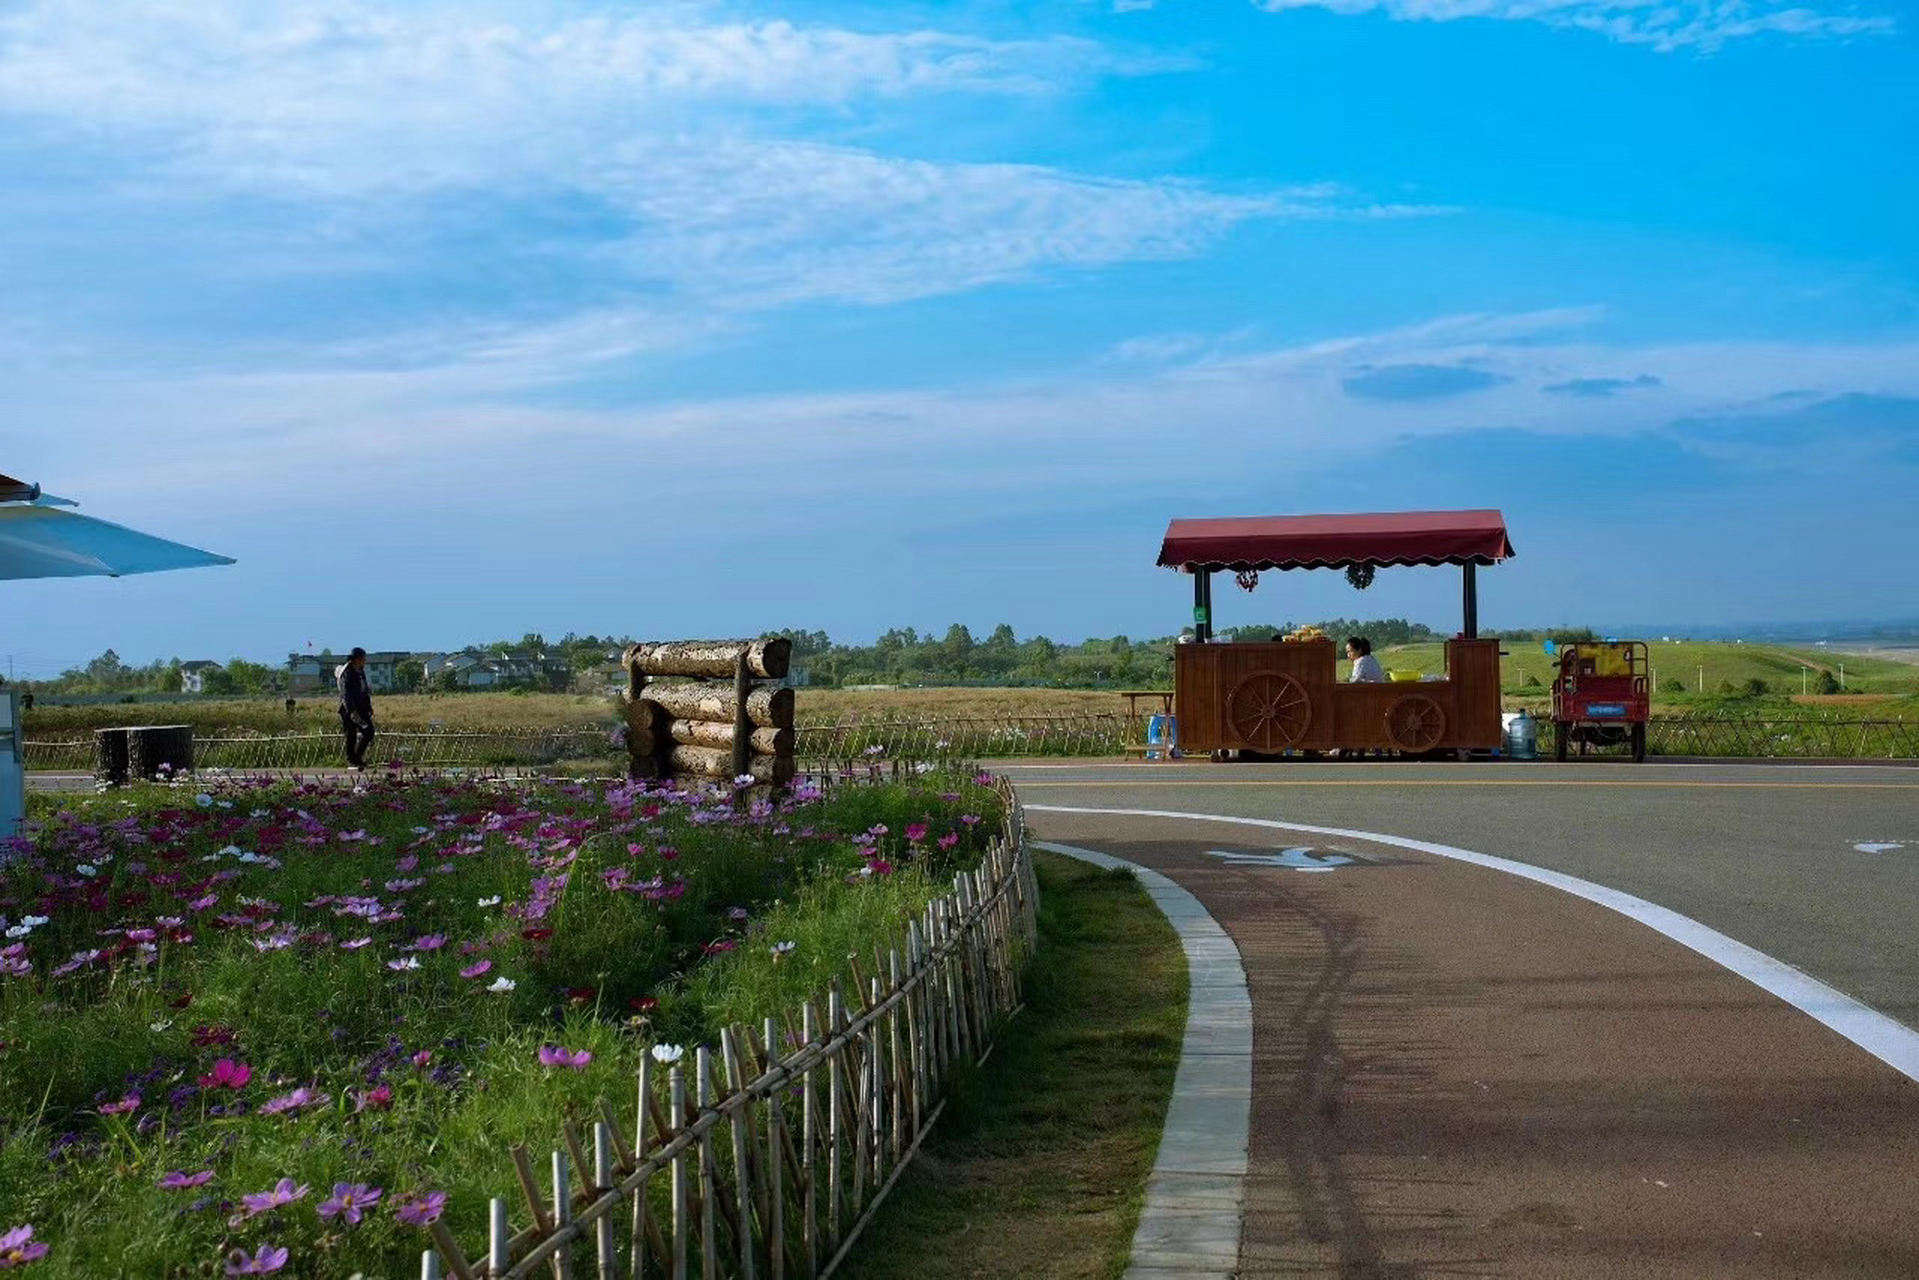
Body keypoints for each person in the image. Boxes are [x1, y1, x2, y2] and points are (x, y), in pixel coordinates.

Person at [337, 647, 376, 769]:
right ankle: (352, 759)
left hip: (362, 708)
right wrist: (351, 710)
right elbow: (346, 693)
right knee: (351, 735)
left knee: (369, 732)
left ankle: (357, 757)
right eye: (362, 659)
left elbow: (364, 691)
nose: (364, 661)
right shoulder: (347, 673)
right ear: (356, 659)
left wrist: (369, 706)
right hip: (350, 709)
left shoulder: (361, 672)